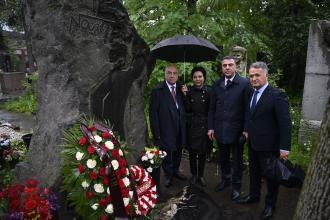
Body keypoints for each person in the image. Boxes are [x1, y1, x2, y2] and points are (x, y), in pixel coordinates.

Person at [237, 62, 292, 220]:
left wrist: (285, 147)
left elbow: (285, 123)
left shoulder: (277, 95)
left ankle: (270, 205)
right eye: (251, 76)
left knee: (271, 177)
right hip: (253, 143)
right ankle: (254, 196)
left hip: (269, 146)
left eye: (257, 75)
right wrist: (247, 131)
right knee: (254, 173)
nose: (253, 78)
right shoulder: (251, 93)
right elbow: (250, 116)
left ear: (266, 75)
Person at [208, 56, 252, 200]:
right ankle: (225, 180)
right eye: (224, 65)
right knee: (223, 158)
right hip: (220, 130)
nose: (227, 67)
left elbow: (248, 110)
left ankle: (236, 186)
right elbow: (211, 109)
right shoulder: (217, 84)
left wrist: (246, 130)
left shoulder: (245, 84)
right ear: (222, 68)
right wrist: (211, 127)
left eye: (230, 65)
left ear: (235, 67)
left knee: (237, 161)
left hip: (237, 131)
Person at [149, 64, 187, 188]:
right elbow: (153, 113)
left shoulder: (182, 89)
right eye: (169, 73)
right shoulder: (158, 90)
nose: (171, 75)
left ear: (178, 75)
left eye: (174, 73)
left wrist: (186, 94)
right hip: (166, 128)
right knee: (167, 154)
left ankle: (175, 171)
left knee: (178, 152)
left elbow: (188, 107)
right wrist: (156, 133)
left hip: (180, 127)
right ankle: (168, 176)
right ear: (165, 74)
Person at [181, 66, 212, 187]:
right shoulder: (189, 91)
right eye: (195, 77)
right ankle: (194, 175)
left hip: (205, 125)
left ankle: (201, 175)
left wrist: (211, 127)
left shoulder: (209, 91)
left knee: (203, 152)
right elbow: (188, 109)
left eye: (200, 76)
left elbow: (211, 110)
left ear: (204, 78)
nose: (197, 79)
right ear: (192, 78)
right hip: (193, 125)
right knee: (193, 153)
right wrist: (184, 95)